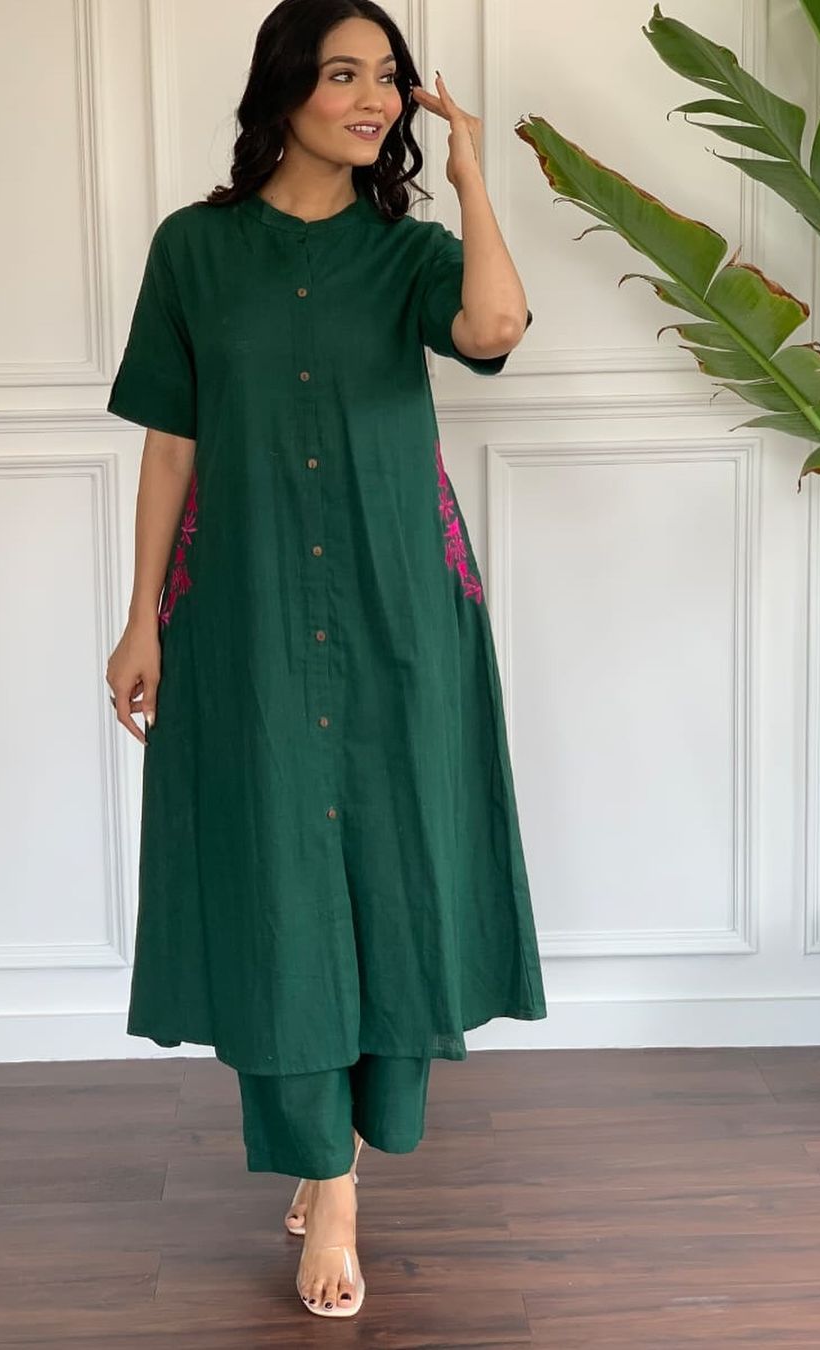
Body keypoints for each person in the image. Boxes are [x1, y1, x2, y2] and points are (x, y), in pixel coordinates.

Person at [105, 0, 547, 1321]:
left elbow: (494, 327)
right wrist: (140, 616)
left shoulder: (407, 252)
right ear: (284, 90)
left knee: (393, 871)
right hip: (242, 611)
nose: (372, 98)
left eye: (388, 77)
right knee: (279, 883)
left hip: (400, 604)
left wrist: (470, 173)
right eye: (343, 73)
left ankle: (341, 1156)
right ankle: (326, 1175)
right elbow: (171, 444)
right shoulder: (195, 249)